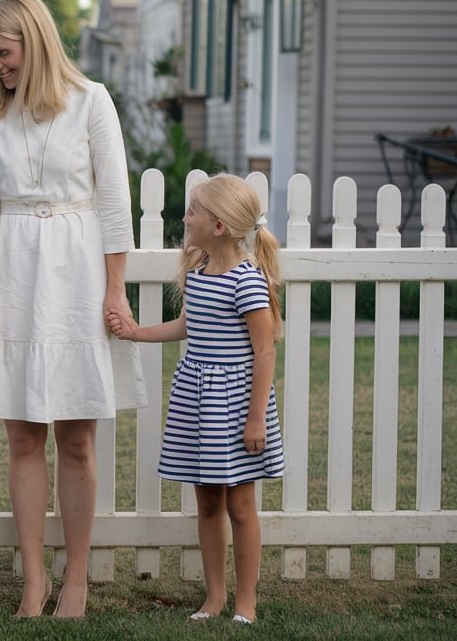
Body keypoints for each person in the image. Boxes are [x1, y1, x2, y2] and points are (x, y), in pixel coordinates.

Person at [0, 0, 145, 619]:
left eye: (4, 55)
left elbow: (116, 203)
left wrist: (114, 289)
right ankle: (34, 581)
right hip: (14, 271)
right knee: (21, 435)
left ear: (33, 44)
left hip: (77, 274)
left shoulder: (92, 101)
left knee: (76, 436)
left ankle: (76, 580)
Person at [106, 173, 286, 625]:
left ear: (219, 225)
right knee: (207, 502)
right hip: (197, 399)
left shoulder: (247, 281)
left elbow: (264, 351)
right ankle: (215, 597)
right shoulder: (198, 271)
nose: (185, 217)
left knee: (240, 506)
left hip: (236, 404)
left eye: (193, 211)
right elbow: (187, 326)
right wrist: (136, 333)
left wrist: (256, 419)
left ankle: (246, 602)